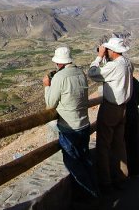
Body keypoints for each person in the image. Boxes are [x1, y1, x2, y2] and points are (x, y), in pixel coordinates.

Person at [43, 47, 100, 202]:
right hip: (84, 125)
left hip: (70, 128)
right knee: (85, 159)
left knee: (73, 163)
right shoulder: (80, 73)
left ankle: (90, 196)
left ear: (58, 63)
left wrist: (47, 85)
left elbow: (50, 104)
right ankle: (94, 190)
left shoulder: (60, 77)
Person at [88, 37, 133, 193]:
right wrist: (106, 58)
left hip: (111, 108)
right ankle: (122, 177)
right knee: (119, 144)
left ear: (112, 51)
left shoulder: (114, 66)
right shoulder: (127, 63)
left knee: (103, 145)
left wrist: (99, 57)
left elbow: (92, 73)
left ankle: (105, 182)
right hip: (123, 109)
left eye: (107, 49)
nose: (105, 51)